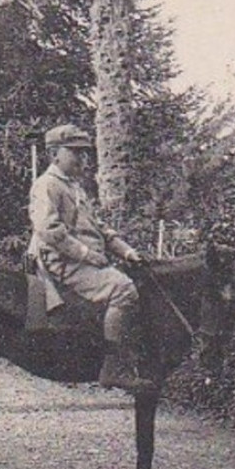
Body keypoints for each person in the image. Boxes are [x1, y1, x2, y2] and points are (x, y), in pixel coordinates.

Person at [28, 124, 150, 391]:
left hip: (83, 260)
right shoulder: (47, 185)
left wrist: (127, 251)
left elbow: (100, 228)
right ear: (53, 155)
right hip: (61, 261)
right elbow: (48, 230)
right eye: (75, 152)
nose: (83, 159)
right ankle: (113, 369)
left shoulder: (76, 187)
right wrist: (86, 254)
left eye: (85, 153)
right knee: (123, 289)